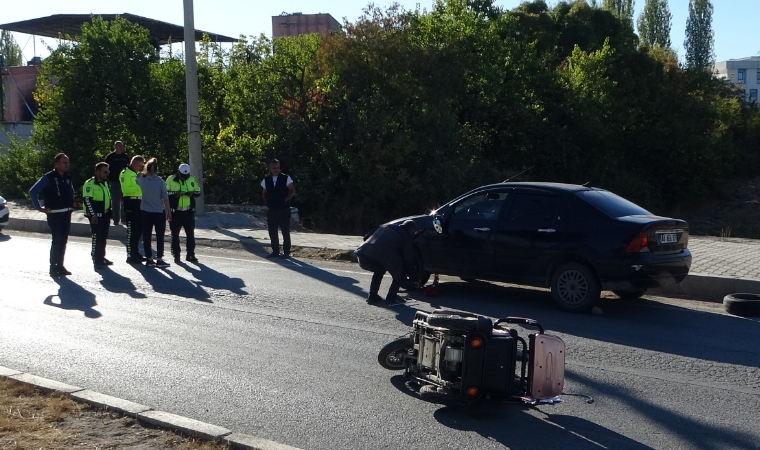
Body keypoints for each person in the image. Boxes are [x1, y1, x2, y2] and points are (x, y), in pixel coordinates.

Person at [29, 153, 75, 277]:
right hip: (54, 214)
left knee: (64, 240)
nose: (67, 165)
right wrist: (39, 207)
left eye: (68, 162)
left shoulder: (68, 177)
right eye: (64, 162)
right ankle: (53, 266)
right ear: (57, 164)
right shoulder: (48, 177)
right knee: (57, 240)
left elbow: (71, 191)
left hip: (66, 212)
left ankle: (60, 265)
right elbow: (33, 191)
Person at [355, 220, 417, 305]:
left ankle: (372, 296)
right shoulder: (406, 237)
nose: (414, 234)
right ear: (410, 230)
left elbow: (366, 237)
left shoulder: (385, 226)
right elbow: (408, 260)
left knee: (380, 268)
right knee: (401, 270)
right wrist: (415, 278)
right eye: (414, 232)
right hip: (375, 259)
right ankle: (391, 297)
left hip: (362, 255)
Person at [137, 158, 171, 267]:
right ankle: (160, 259)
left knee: (147, 236)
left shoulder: (141, 180)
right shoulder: (160, 181)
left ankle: (149, 258)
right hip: (158, 212)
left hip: (145, 212)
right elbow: (165, 198)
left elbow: (136, 180)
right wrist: (169, 211)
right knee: (159, 236)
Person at [166, 163, 201, 263]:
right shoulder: (170, 179)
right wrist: (175, 194)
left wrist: (191, 194)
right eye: (182, 176)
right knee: (175, 234)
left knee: (190, 234)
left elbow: (198, 192)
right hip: (175, 211)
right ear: (178, 172)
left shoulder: (192, 179)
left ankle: (191, 254)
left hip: (188, 211)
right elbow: (165, 193)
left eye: (186, 176)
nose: (184, 178)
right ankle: (176, 254)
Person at [261, 159, 295, 258]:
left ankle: (286, 252)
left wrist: (285, 200)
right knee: (272, 231)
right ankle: (275, 251)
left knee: (285, 231)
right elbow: (264, 192)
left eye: (278, 168)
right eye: (274, 168)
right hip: (272, 210)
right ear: (270, 168)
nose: (276, 170)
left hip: (283, 209)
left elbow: (292, 190)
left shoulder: (286, 178)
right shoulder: (266, 180)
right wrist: (267, 202)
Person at [83, 162, 113, 270]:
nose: (107, 174)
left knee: (103, 237)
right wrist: (92, 214)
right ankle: (96, 259)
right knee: (97, 237)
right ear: (97, 171)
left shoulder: (105, 183)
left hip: (105, 214)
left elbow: (108, 198)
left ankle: (101, 257)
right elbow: (87, 200)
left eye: (108, 171)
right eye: (105, 171)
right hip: (95, 216)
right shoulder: (90, 183)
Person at [120, 155, 145, 263]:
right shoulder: (125, 173)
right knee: (131, 229)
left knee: (138, 229)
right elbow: (127, 189)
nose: (141, 167)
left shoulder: (136, 174)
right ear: (134, 163)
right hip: (130, 201)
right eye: (139, 165)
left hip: (139, 201)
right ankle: (130, 255)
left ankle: (136, 252)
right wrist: (141, 185)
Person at [104, 140, 129, 226]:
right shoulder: (110, 157)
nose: (121, 148)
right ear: (115, 147)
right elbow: (105, 169)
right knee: (115, 201)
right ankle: (116, 220)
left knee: (124, 201)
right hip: (114, 182)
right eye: (120, 146)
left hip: (124, 182)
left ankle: (124, 219)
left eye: (122, 146)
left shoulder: (125, 157)